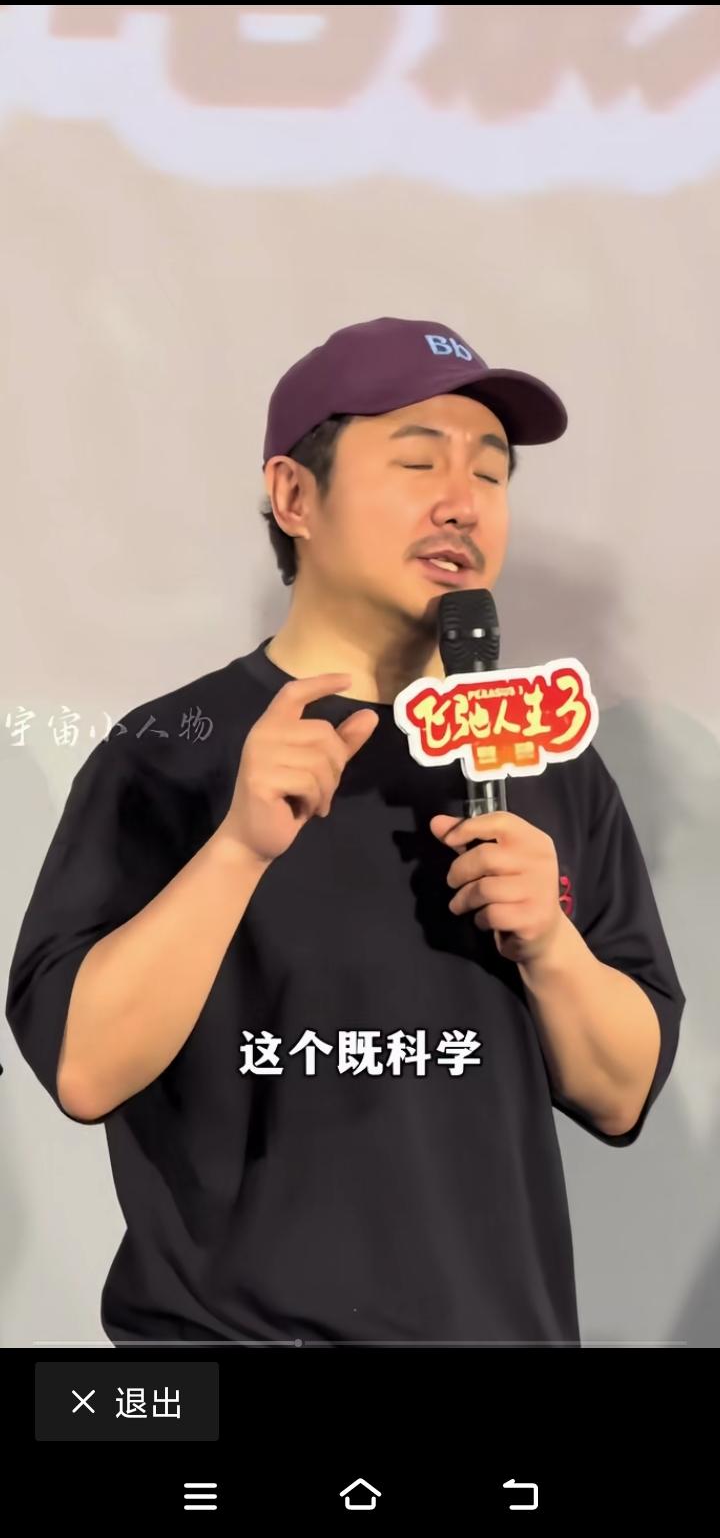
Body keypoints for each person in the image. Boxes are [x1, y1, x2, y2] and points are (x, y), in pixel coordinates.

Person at [5, 316, 685, 1347]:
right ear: (294, 496)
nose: (463, 503)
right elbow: (85, 1068)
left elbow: (623, 1092)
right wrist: (237, 849)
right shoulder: (169, 752)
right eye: (418, 462)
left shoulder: (546, 762)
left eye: (492, 474)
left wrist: (551, 945)